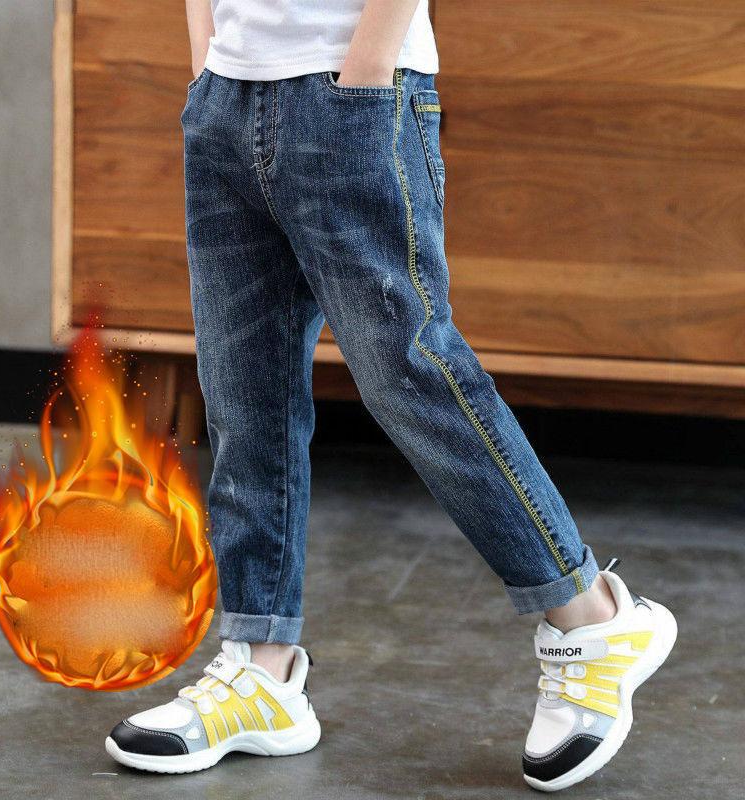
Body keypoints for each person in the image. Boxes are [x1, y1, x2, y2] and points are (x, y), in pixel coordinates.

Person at [104, 1, 676, 790]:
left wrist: (367, 66)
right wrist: (207, 63)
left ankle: (592, 620)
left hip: (355, 92)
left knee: (409, 374)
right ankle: (262, 670)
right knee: (244, 397)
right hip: (227, 97)